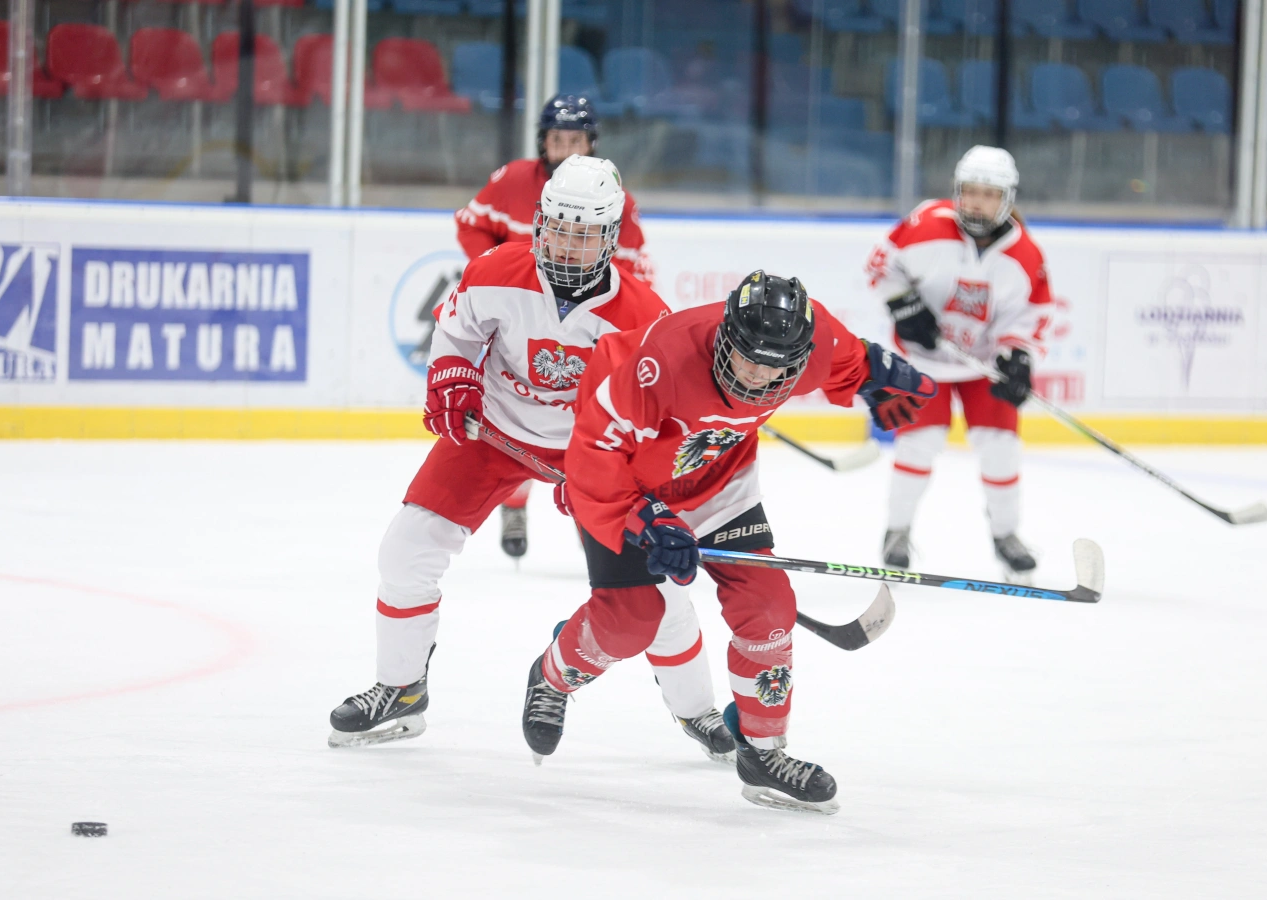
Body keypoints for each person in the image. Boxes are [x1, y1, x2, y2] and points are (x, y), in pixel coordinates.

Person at [329, 156, 734, 762]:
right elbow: (457, 330)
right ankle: (402, 690)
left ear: (611, 238)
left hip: (589, 455)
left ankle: (696, 709)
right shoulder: (496, 270)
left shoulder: (644, 319)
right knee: (406, 551)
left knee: (660, 591)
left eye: (585, 234)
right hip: (493, 434)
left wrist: (613, 476)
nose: (567, 245)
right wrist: (453, 374)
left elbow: (650, 421)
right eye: (559, 228)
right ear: (541, 223)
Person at [520, 270, 936, 815]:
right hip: (632, 487)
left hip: (720, 486)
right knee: (630, 621)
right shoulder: (656, 363)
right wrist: (648, 520)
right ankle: (553, 675)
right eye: (747, 358)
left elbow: (852, 358)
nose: (759, 375)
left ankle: (762, 754)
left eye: (775, 366)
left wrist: (880, 377)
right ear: (725, 338)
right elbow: (594, 457)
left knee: (768, 608)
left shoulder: (810, 344)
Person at [455, 94, 654, 562]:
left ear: (592, 144)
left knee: (586, 425)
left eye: (575, 141)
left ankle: (593, 522)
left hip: (582, 327)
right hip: (517, 318)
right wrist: (500, 276)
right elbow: (471, 225)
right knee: (513, 411)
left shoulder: (613, 200)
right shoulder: (513, 180)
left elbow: (633, 275)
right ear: (542, 142)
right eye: (557, 140)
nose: (566, 150)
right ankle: (515, 503)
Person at [865, 145, 1053, 582]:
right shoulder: (927, 223)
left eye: (989, 194)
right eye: (969, 191)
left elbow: (1031, 316)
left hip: (982, 363)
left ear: (1007, 199)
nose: (976, 203)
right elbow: (879, 267)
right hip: (922, 360)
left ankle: (1006, 536)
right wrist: (903, 304)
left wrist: (1018, 357)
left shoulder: (1025, 255)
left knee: (1000, 447)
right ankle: (897, 532)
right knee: (919, 442)